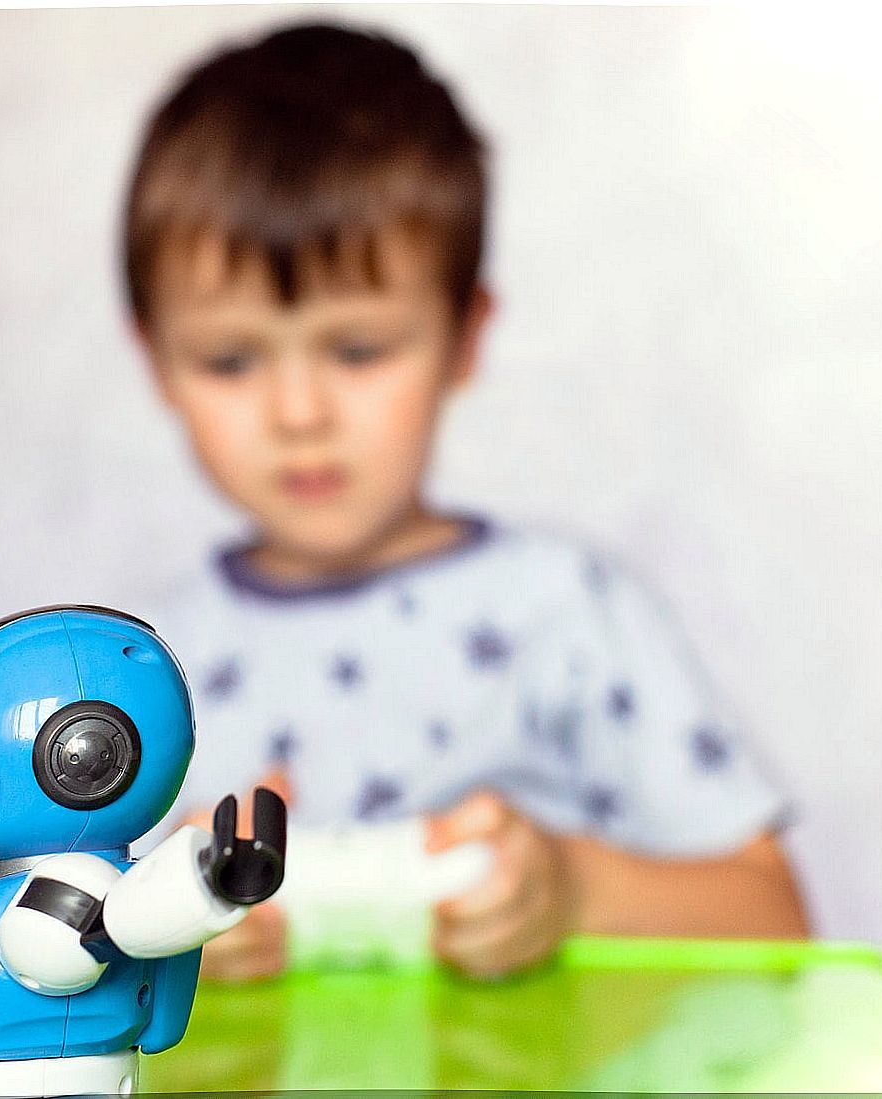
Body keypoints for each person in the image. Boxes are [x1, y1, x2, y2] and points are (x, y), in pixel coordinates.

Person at [122, 22, 809, 982]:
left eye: (358, 349)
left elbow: (777, 922)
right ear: (153, 355)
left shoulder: (565, 611)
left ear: (466, 335)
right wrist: (160, 926)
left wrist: (573, 891)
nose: (299, 411)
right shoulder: (135, 672)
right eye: (230, 359)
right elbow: (42, 974)